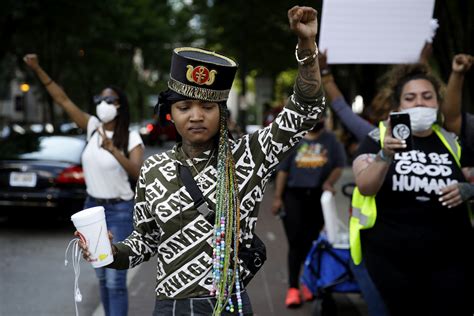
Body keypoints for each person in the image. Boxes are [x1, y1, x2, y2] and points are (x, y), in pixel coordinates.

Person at [78, 6, 325, 316]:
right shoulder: (153, 170)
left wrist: (306, 49)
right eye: (184, 106)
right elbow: (145, 240)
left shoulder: (249, 155)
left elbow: (305, 111)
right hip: (170, 306)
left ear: (221, 113)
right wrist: (109, 252)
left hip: (229, 304)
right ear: (171, 114)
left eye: (207, 107)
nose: (196, 115)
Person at [23, 54, 144, 316]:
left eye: (108, 100)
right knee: (101, 277)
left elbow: (138, 171)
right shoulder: (91, 126)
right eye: (99, 100)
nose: (103, 104)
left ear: (120, 105)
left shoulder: (131, 136)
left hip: (120, 210)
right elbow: (62, 99)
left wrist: (113, 150)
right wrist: (38, 68)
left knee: (115, 280)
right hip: (92, 209)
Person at [351, 63, 474, 316]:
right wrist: (385, 155)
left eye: (427, 97)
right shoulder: (377, 138)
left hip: (450, 258)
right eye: (411, 98)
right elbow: (365, 186)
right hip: (392, 261)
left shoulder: (452, 140)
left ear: (438, 103)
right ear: (398, 106)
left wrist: (469, 190)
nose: (420, 103)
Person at [271, 115, 346, 308]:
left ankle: (308, 283)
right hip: (293, 197)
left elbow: (339, 165)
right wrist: (278, 198)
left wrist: (329, 182)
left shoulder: (331, 141)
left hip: (317, 197)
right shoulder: (294, 139)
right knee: (296, 243)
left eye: (320, 115)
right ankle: (293, 288)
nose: (316, 119)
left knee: (313, 242)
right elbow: (283, 171)